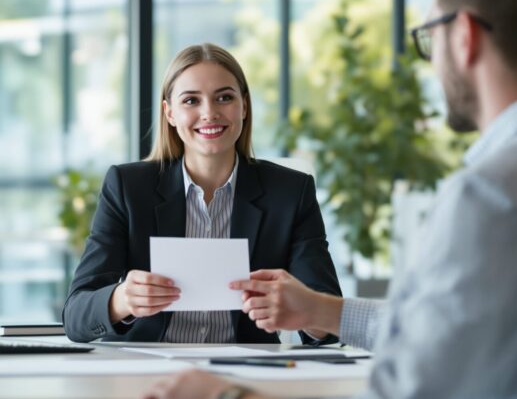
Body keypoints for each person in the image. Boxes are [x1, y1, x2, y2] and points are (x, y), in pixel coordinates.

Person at [144, 0, 517, 397]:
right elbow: (445, 332)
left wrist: (225, 395)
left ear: (463, 37)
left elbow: (414, 387)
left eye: (429, 33)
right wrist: (328, 312)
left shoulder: (491, 195)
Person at [62, 43, 341, 344]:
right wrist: (122, 300)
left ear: (244, 106)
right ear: (169, 113)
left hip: (245, 374)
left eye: (224, 97)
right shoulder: (128, 187)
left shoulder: (291, 192)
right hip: (148, 372)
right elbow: (76, 317)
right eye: (191, 100)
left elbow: (328, 325)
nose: (209, 113)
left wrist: (306, 312)